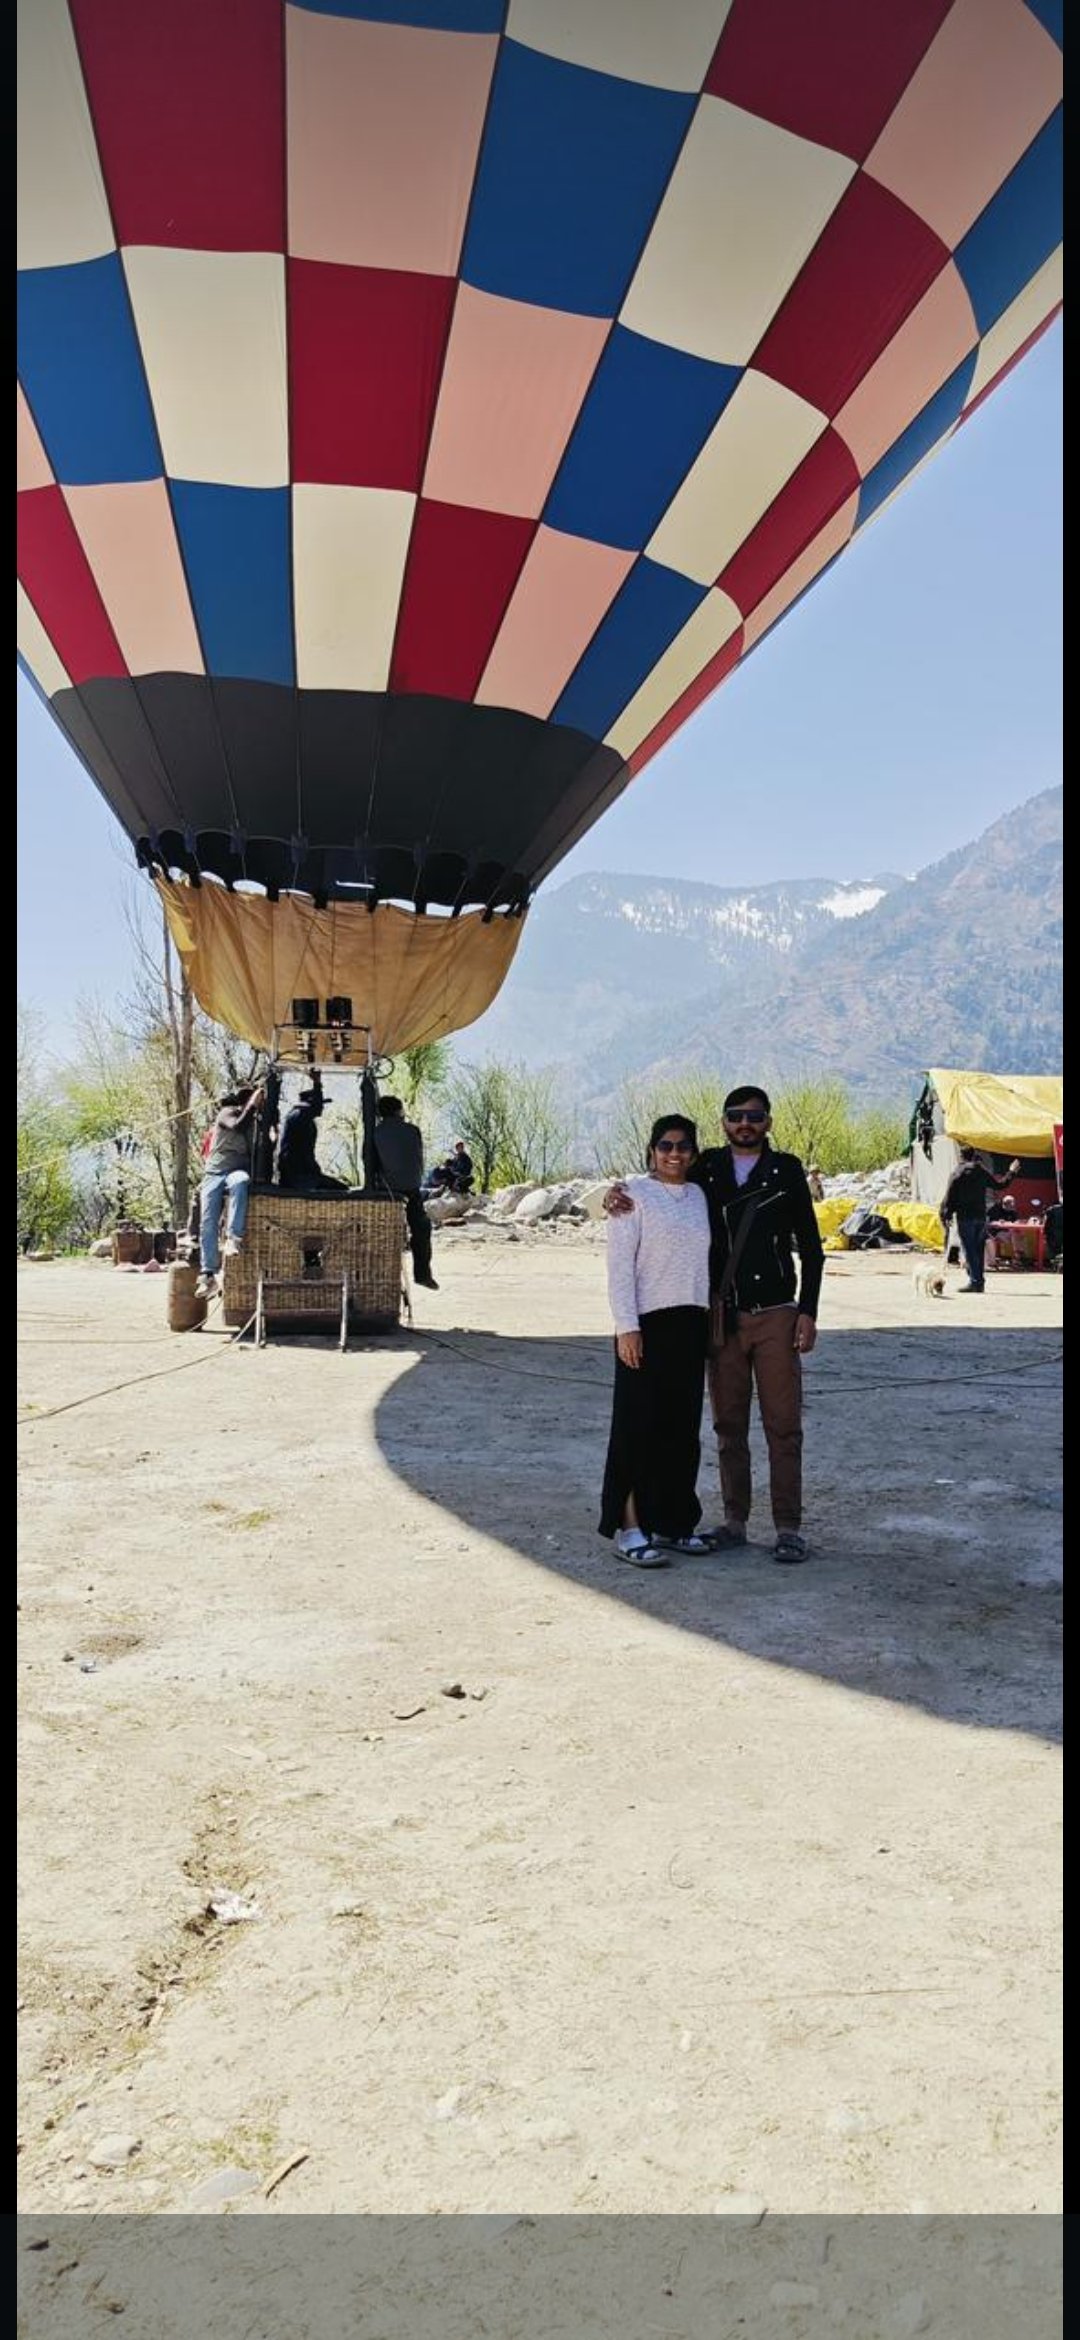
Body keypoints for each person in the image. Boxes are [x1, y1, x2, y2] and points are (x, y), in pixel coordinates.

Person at [605, 1084, 824, 1563]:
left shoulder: (786, 1170)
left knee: (782, 1425)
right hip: (721, 1318)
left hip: (774, 1312)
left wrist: (807, 1310)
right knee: (727, 1426)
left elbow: (811, 1247)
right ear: (723, 1123)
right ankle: (734, 1521)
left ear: (768, 1122)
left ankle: (787, 1527)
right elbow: (652, 1195)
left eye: (754, 1116)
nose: (745, 1123)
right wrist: (613, 1194)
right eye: (735, 1115)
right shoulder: (707, 1170)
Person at [599, 1115, 714, 1569]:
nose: (674, 1154)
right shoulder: (632, 1195)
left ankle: (674, 1522)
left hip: (691, 1321)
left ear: (694, 1153)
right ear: (652, 1151)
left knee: (680, 1430)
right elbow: (619, 1266)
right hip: (646, 1323)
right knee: (635, 1427)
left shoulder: (700, 1195)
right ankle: (630, 1527)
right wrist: (626, 1326)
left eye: (683, 1146)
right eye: (666, 1145)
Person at [198, 1083, 265, 1294]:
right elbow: (238, 1126)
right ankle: (208, 1273)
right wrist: (252, 1105)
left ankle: (233, 1237)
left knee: (240, 1182)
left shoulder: (254, 1124)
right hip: (215, 1171)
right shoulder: (227, 1113)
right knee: (208, 1220)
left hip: (236, 1171)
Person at [373, 1096, 438, 1290]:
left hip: (386, 1190)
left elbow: (370, 1162)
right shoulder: (412, 1130)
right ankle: (423, 1274)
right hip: (411, 1188)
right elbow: (418, 1161)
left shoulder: (376, 1132)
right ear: (398, 1111)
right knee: (421, 1227)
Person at [940, 1148, 1021, 1292]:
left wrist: (946, 1214)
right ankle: (979, 1281)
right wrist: (1011, 1171)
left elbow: (950, 1196)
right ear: (974, 1156)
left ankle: (975, 1282)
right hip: (980, 1217)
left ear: (961, 1156)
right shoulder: (981, 1172)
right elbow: (1000, 1185)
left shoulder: (957, 1173)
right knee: (978, 1250)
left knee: (969, 1250)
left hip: (965, 1217)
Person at [276, 1076, 347, 1193]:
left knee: (338, 1187)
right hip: (296, 1177)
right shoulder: (300, 1117)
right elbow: (303, 1156)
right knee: (339, 1190)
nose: (322, 1108)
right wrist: (317, 1085)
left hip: (301, 1174)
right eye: (320, 1104)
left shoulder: (303, 1118)